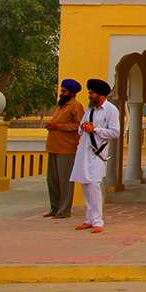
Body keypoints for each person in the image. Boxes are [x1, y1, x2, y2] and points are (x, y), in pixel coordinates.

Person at [70, 79, 120, 234]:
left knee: (94, 185)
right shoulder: (90, 110)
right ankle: (89, 219)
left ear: (100, 94)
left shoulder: (111, 110)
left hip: (98, 153)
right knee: (85, 184)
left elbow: (115, 132)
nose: (89, 95)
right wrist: (83, 127)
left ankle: (98, 221)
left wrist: (96, 130)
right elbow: (81, 129)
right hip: (84, 151)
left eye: (92, 92)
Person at [43, 79, 85, 219]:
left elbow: (80, 126)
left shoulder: (76, 106)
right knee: (52, 180)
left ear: (72, 93)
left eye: (64, 91)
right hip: (53, 147)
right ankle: (54, 208)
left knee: (65, 180)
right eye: (61, 90)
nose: (61, 93)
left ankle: (64, 211)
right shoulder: (61, 106)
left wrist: (58, 127)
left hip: (66, 148)